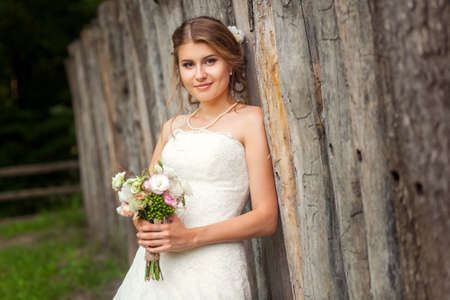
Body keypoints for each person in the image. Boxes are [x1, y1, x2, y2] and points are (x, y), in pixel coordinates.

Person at [113, 16, 278, 299]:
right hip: (159, 269)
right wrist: (144, 223)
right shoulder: (173, 128)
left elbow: (266, 218)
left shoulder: (250, 120)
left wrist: (190, 238)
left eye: (210, 61)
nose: (199, 74)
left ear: (230, 61)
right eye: (188, 65)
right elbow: (143, 197)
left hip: (213, 266)